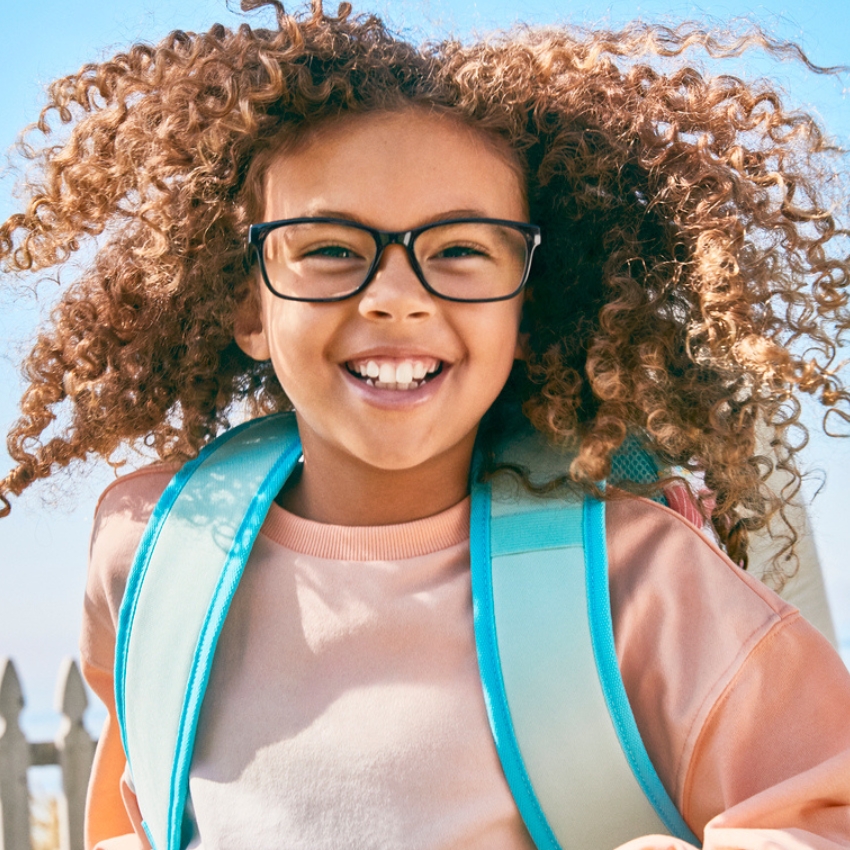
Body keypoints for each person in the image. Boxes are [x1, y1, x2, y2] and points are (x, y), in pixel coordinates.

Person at [1, 1, 849, 848]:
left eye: (461, 251)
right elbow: (132, 816)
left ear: (527, 308)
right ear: (248, 305)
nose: (395, 295)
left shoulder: (643, 585)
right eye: (329, 247)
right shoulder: (151, 550)